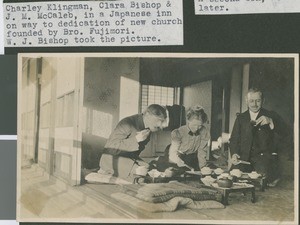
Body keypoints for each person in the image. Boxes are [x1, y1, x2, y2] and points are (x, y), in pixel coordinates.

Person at [229, 88, 287, 186]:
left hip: (263, 160)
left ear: (263, 101)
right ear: (246, 101)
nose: (254, 104)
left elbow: (285, 133)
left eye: (258, 101)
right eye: (251, 101)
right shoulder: (241, 118)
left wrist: (271, 122)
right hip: (244, 159)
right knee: (232, 178)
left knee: (261, 182)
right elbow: (234, 139)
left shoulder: (271, 115)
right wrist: (234, 154)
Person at [99, 104, 167, 182]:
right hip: (111, 158)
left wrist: (138, 164)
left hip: (127, 158)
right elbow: (111, 147)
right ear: (147, 115)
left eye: (162, 121)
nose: (160, 125)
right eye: (159, 120)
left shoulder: (148, 128)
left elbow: (136, 153)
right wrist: (136, 139)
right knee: (141, 178)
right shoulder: (127, 123)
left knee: (149, 169)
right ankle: (105, 170)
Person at [168, 105, 210, 171]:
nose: (196, 128)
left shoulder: (204, 132)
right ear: (188, 121)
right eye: (194, 125)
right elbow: (173, 154)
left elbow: (202, 151)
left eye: (200, 126)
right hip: (178, 156)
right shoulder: (179, 132)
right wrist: (181, 163)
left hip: (193, 157)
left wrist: (203, 167)